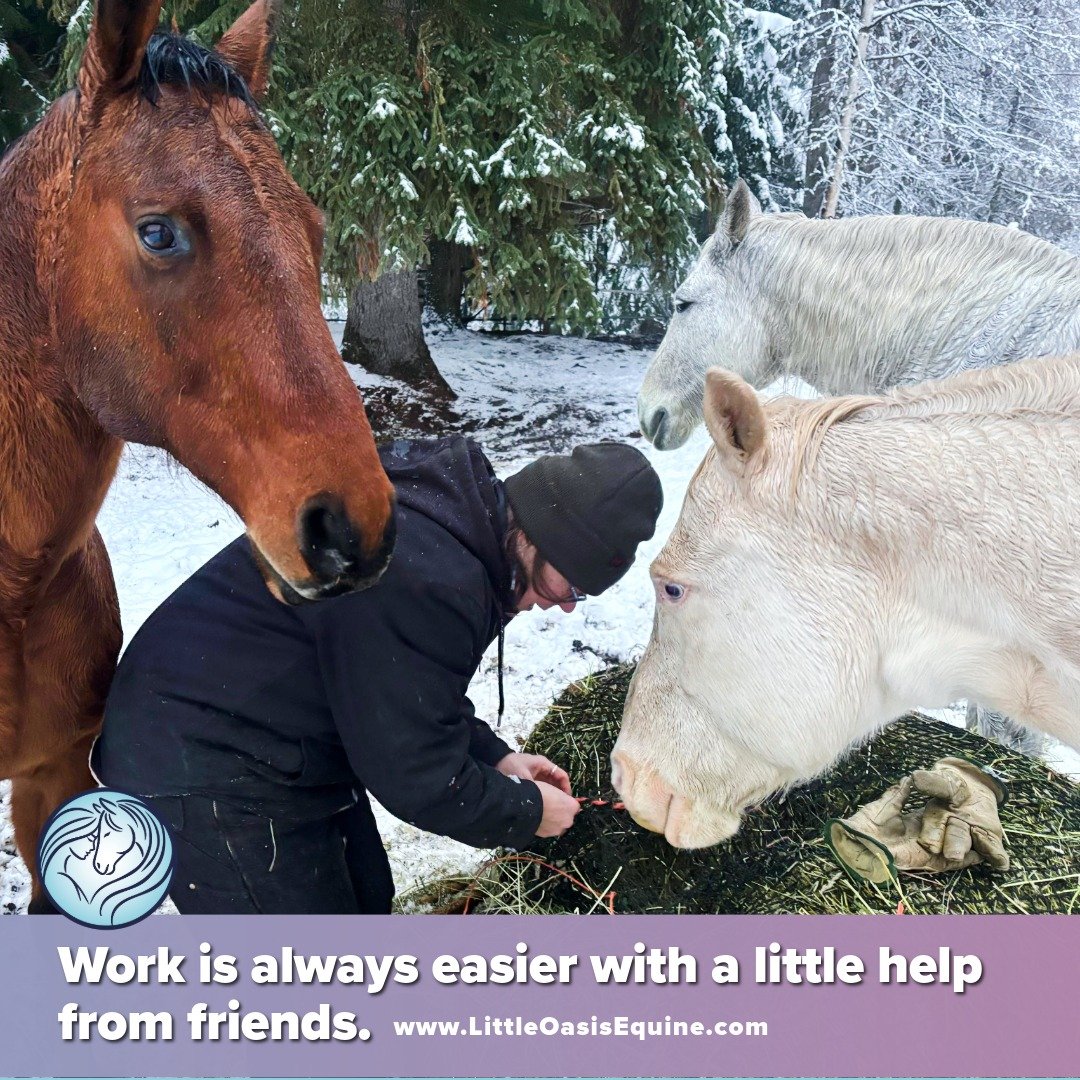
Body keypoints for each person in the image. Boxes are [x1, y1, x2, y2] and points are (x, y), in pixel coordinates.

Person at [91, 435, 663, 913]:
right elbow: (415, 776)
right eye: (573, 585)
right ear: (542, 535)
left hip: (280, 733)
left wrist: (495, 759)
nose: (566, 605)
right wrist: (527, 813)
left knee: (366, 900)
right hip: (198, 756)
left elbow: (406, 685)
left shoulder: (465, 533)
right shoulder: (427, 575)